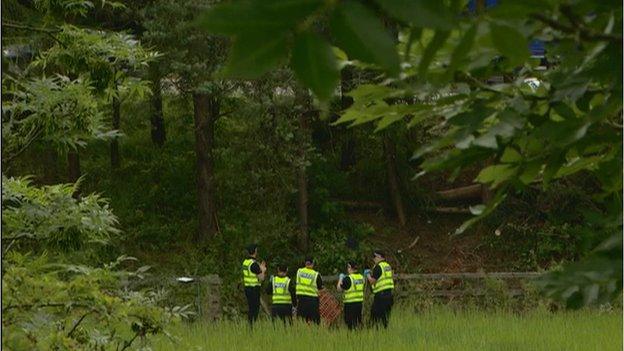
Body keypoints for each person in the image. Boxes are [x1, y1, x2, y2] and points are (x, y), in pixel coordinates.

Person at [365, 250, 394, 328]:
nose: (373, 259)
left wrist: (367, 275)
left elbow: (372, 281)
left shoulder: (378, 267)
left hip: (381, 296)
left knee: (374, 317)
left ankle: (372, 334)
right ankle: (383, 334)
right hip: (389, 295)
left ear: (380, 257)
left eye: (374, 257)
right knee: (385, 318)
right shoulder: (388, 266)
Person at [242, 244, 266, 326]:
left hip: (247, 288)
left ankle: (250, 326)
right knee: (255, 309)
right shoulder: (254, 264)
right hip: (254, 289)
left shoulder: (245, 262)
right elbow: (261, 278)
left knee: (251, 308)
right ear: (255, 251)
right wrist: (263, 269)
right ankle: (251, 327)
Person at [336, 261, 365, 330]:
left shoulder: (348, 279)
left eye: (348, 267)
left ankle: (352, 337)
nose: (347, 269)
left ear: (350, 268)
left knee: (350, 324)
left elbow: (339, 289)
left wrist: (340, 278)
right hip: (359, 303)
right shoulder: (361, 277)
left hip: (350, 304)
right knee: (358, 322)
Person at [295, 256, 323, 324]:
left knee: (301, 322)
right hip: (312, 301)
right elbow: (320, 289)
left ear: (305, 263)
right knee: (315, 323)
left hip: (301, 300)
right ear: (312, 263)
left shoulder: (299, 271)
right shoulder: (316, 274)